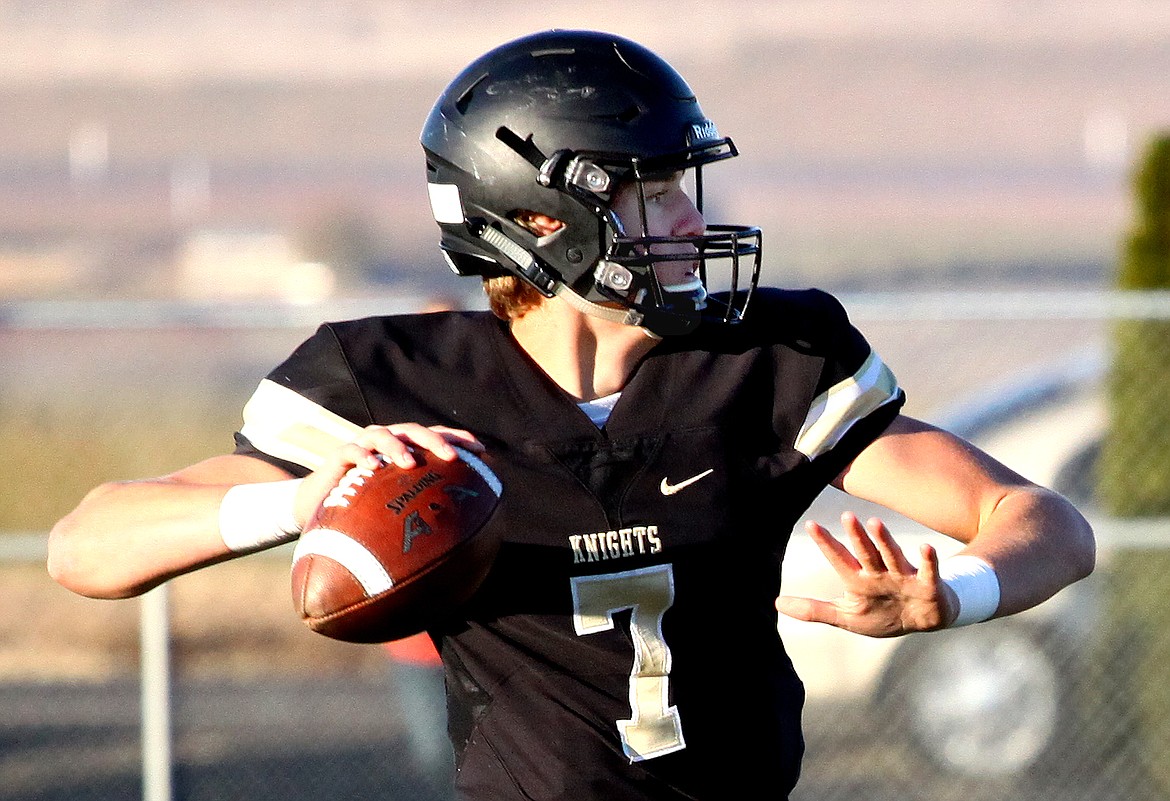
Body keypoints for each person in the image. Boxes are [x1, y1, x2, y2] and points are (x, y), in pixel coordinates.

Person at [48, 30, 1095, 801]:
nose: (693, 219)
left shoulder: (764, 363)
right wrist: (304, 504)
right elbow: (85, 550)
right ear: (543, 222)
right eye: (653, 193)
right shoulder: (391, 386)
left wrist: (949, 596)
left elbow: (1047, 523)